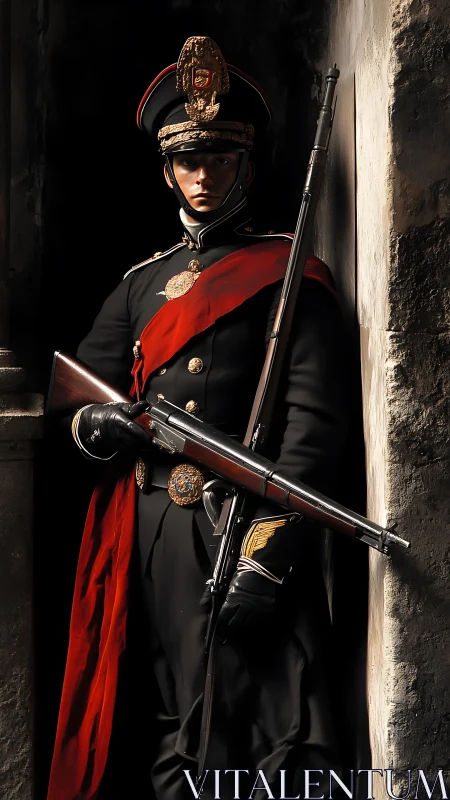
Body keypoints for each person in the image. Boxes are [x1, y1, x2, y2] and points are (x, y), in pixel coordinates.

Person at [47, 36, 349, 800]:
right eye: (189, 160)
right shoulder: (141, 285)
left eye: (219, 158)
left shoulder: (289, 276)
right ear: (167, 170)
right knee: (166, 716)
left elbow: (311, 435)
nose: (204, 175)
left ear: (247, 164)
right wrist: (99, 428)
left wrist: (263, 558)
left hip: (243, 524)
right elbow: (78, 396)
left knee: (260, 722)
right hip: (152, 533)